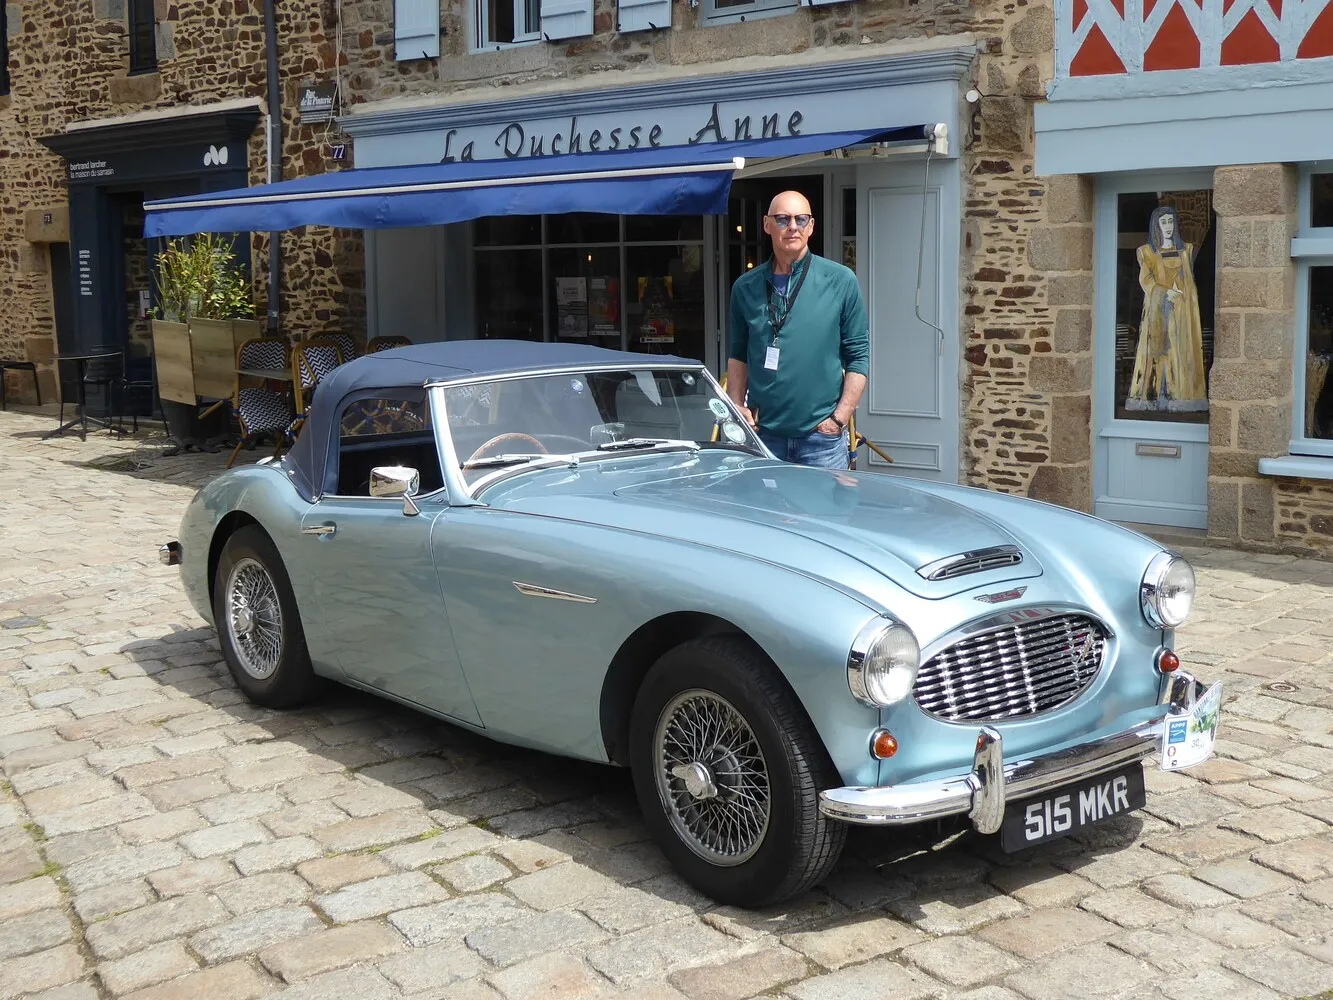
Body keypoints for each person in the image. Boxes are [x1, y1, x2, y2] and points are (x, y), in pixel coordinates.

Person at [727, 190, 869, 469]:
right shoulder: (745, 287)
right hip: (764, 436)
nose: (792, 226)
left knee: (823, 514)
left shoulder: (840, 280)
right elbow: (738, 354)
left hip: (820, 441)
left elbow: (858, 355)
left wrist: (839, 418)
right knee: (761, 513)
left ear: (811, 226)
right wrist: (736, 407)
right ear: (767, 225)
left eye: (800, 219)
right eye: (782, 219)